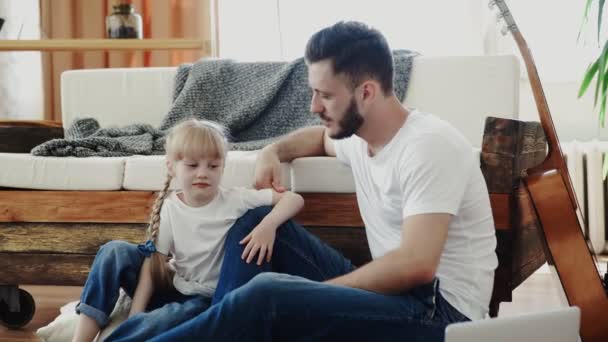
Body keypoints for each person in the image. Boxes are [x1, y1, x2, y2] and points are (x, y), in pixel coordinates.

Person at [148, 21, 498, 342]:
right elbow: (318, 138)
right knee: (255, 222)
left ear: (366, 92)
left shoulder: (428, 146)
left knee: (270, 293)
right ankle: (222, 322)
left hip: (440, 314)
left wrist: (318, 294)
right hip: (393, 294)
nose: (314, 105)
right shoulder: (360, 138)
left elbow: (416, 265)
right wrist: (272, 151)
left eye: (326, 95)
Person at [71, 119, 304, 342]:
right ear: (171, 167)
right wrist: (136, 314)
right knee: (113, 251)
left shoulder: (235, 200)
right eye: (192, 165)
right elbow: (154, 266)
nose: (203, 173)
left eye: (213, 166)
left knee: (161, 321)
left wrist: (268, 225)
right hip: (174, 285)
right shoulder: (171, 207)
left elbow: (293, 199)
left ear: (222, 168)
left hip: (205, 300)